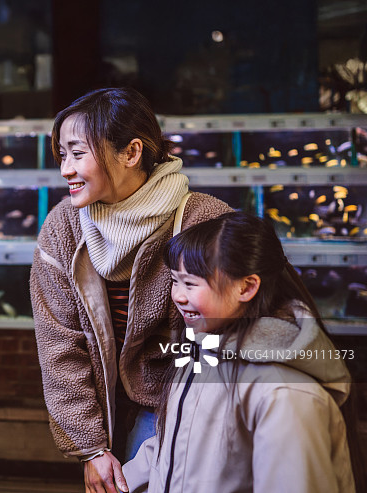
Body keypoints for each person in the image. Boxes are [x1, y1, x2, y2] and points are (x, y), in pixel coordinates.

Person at [30, 87, 232, 493]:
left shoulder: (204, 221)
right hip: (102, 403)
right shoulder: (62, 227)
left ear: (132, 152)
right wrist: (89, 447)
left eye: (77, 153)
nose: (66, 169)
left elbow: (246, 327)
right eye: (62, 155)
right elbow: (58, 348)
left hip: (181, 398)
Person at [122, 211, 355, 492]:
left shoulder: (285, 393)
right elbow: (172, 444)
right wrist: (123, 482)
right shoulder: (201, 351)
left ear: (246, 287)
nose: (179, 296)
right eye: (175, 280)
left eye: (192, 283)